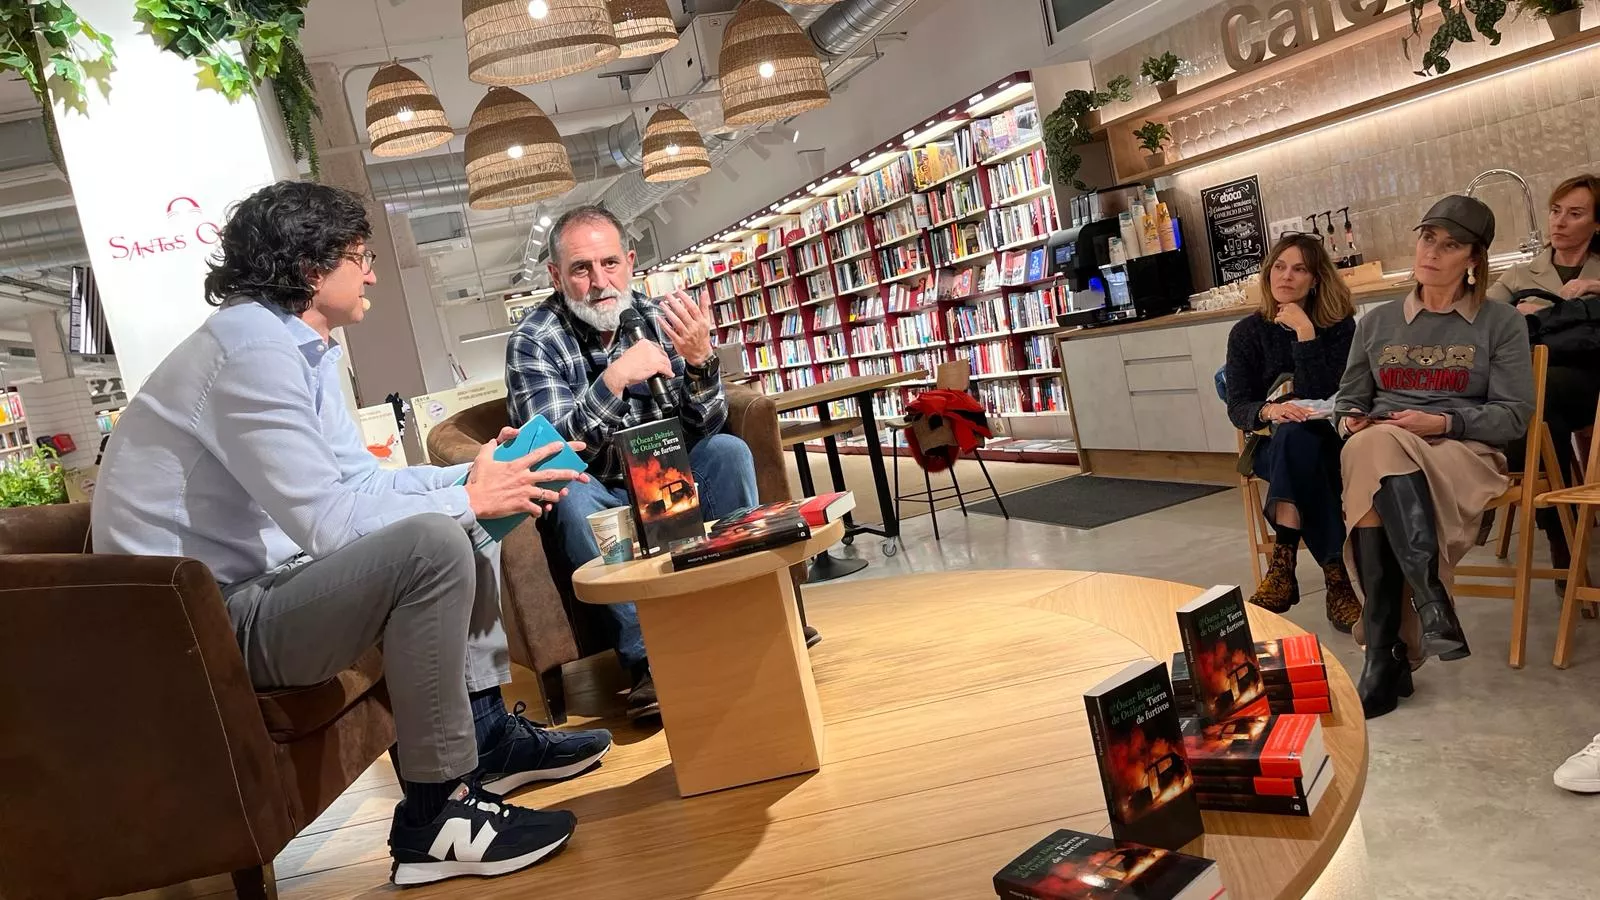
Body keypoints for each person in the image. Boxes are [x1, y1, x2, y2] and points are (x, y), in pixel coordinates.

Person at [90, 182, 614, 886]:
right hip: (196, 629)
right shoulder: (250, 354)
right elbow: (332, 523)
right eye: (360, 257)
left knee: (470, 521)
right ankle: (436, 815)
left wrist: (474, 483)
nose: (370, 273)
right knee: (433, 544)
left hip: (239, 597)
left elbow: (357, 486)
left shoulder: (291, 345)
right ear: (312, 269)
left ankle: (484, 738)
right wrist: (466, 499)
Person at [506, 205, 762, 721]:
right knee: (572, 496)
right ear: (556, 276)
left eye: (609, 264)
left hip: (668, 475)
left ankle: (749, 616)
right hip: (598, 485)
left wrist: (699, 365)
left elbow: (705, 426)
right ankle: (650, 662)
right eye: (581, 269)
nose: (600, 282)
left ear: (630, 260)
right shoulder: (532, 340)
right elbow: (552, 448)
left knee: (729, 452)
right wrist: (614, 380)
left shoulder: (656, 318)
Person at [1333, 195, 1534, 720]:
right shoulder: (1376, 323)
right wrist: (1350, 418)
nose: (1434, 253)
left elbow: (1514, 416)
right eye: (1428, 238)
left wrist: (1442, 422)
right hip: (1386, 448)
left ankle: (1387, 651)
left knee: (1371, 459)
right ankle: (1423, 615)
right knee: (1371, 444)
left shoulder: (1501, 323)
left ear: (1474, 258)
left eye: (1451, 245)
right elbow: (1350, 398)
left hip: (1462, 452)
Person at [1224, 233, 1360, 631]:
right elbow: (1239, 406)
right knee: (1293, 437)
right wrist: (1271, 409)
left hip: (1332, 441)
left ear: (1316, 279)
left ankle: (1283, 563)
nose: (1286, 276)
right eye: (1280, 266)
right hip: (1271, 447)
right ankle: (1338, 581)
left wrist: (1305, 333)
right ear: (1268, 273)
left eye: (1299, 269)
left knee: (1303, 440)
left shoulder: (1339, 327)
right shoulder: (1246, 333)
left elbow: (1325, 395)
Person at [1486, 173, 1600, 587]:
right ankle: (1561, 534)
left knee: (1532, 399)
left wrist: (1592, 288)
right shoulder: (1519, 275)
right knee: (1534, 403)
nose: (1561, 222)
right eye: (1556, 211)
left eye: (1576, 214)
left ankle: (1493, 484)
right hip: (1535, 387)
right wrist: (1517, 316)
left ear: (1596, 223)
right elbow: (1483, 329)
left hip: (1591, 384)